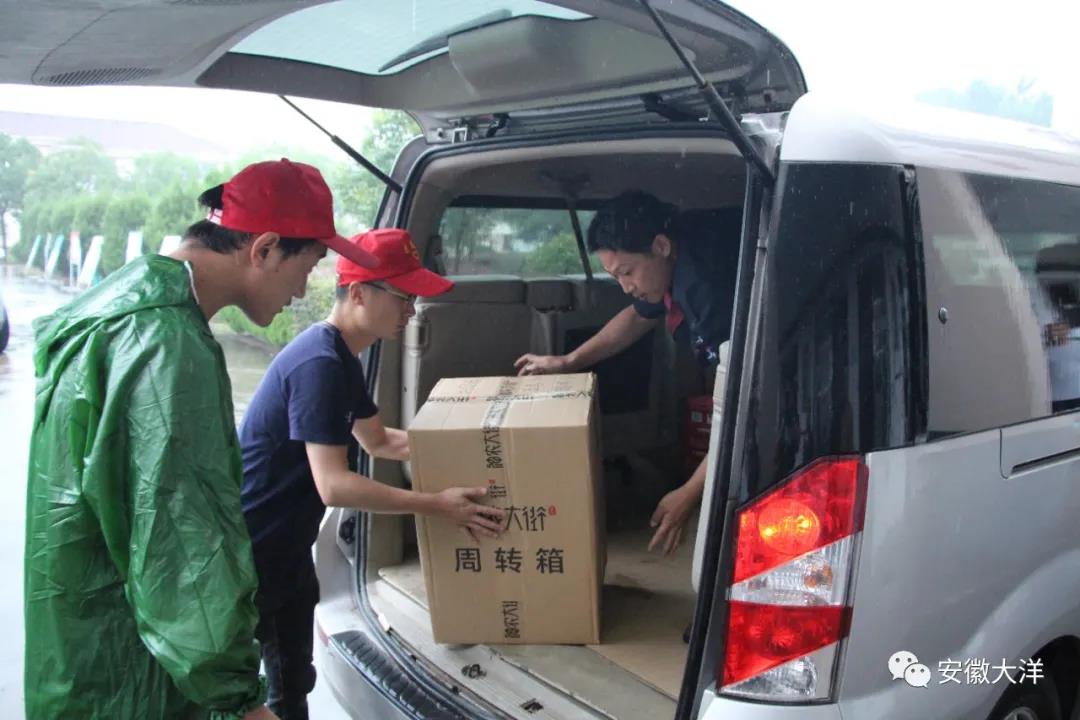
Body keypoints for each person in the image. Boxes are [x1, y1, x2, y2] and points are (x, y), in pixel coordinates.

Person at [23, 158, 377, 720]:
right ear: (264, 249)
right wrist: (240, 700)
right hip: (138, 677)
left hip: (77, 656)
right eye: (307, 266)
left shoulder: (117, 308)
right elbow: (179, 547)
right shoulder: (168, 346)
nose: (301, 290)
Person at [239, 228, 506, 719]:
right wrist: (436, 505)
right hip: (254, 555)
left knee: (292, 681)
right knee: (250, 692)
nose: (412, 311)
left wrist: (485, 448)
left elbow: (379, 440)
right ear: (359, 293)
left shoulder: (343, 358)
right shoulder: (319, 363)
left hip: (287, 548)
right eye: (404, 297)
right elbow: (334, 485)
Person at [515, 190, 739, 556]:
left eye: (627, 272)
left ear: (661, 246)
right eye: (615, 276)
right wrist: (569, 361)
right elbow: (637, 315)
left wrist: (689, 493)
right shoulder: (676, 254)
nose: (626, 287)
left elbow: (742, 403)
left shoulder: (705, 286)